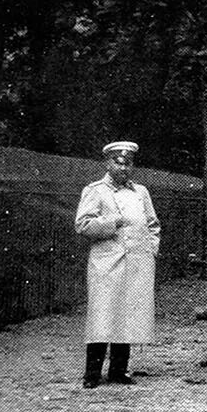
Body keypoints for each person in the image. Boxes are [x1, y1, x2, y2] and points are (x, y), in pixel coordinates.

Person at [74, 141, 160, 388]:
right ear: (108, 163)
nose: (123, 168)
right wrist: (113, 221)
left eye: (128, 163)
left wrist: (151, 250)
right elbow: (82, 224)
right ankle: (92, 374)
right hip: (107, 262)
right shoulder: (96, 190)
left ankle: (118, 371)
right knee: (102, 315)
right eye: (118, 163)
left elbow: (153, 225)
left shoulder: (141, 192)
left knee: (129, 315)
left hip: (137, 262)